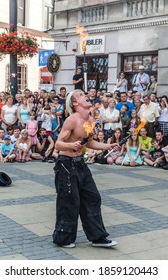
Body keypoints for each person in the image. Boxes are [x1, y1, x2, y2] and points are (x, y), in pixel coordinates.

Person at [52, 89, 120, 248]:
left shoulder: (90, 120)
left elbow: (89, 143)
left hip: (80, 164)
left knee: (93, 197)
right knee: (70, 201)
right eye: (81, 95)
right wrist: (71, 145)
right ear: (75, 103)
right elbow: (58, 144)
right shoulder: (71, 120)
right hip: (66, 164)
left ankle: (97, 237)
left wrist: (107, 146)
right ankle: (63, 238)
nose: (86, 96)